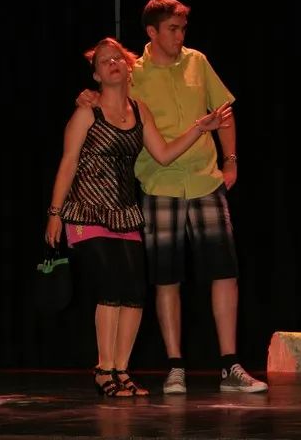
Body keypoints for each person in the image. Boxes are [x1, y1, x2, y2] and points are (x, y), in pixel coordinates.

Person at [75, 0, 269, 394]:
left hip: (204, 179)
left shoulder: (197, 61)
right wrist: (87, 97)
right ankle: (175, 366)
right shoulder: (134, 71)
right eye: (173, 29)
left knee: (224, 271)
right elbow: (105, 92)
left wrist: (231, 161)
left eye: (183, 29)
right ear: (152, 31)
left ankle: (229, 364)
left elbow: (224, 112)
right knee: (166, 277)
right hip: (160, 183)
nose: (180, 36)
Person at [45, 36, 231, 397]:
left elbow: (163, 154)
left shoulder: (139, 110)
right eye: (104, 61)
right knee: (110, 286)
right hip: (86, 210)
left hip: (124, 212)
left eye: (117, 58)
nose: (112, 63)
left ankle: (121, 370)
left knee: (133, 290)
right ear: (96, 76)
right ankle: (104, 370)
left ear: (128, 68)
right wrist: (55, 212)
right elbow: (68, 162)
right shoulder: (87, 112)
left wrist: (200, 127)